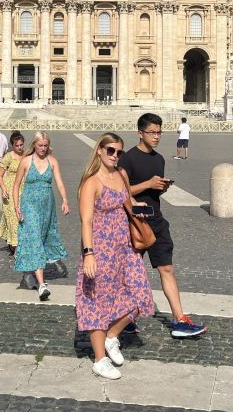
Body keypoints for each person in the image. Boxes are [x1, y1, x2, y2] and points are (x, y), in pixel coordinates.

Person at [118, 113, 206, 338]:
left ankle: (179, 320)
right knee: (129, 274)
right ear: (140, 133)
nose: (156, 137)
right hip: (134, 223)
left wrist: (161, 187)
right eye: (152, 132)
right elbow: (121, 193)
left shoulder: (159, 159)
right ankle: (124, 318)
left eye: (159, 132)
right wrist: (147, 183)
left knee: (167, 268)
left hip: (156, 220)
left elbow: (151, 191)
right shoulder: (127, 159)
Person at [76, 132, 155, 380]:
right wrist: (89, 254)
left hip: (124, 247)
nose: (115, 156)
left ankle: (112, 336)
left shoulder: (121, 174)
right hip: (100, 249)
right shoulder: (91, 182)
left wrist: (140, 211)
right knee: (98, 302)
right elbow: (86, 221)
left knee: (140, 294)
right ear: (99, 150)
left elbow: (127, 201)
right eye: (110, 150)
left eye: (119, 152)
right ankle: (99, 359)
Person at [13, 131, 70, 301]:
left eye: (45, 145)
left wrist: (65, 199)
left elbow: (59, 182)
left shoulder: (52, 161)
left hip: (47, 207)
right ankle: (42, 284)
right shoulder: (26, 161)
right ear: (34, 145)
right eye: (40, 145)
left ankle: (28, 274)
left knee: (40, 239)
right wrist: (17, 206)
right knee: (36, 240)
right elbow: (16, 186)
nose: (43, 148)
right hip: (28, 205)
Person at [0, 131, 24, 255]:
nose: (19, 147)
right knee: (13, 218)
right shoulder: (8, 157)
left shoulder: (27, 155)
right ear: (12, 145)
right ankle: (17, 248)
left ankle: (14, 240)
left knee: (22, 217)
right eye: (17, 145)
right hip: (10, 190)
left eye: (21, 145)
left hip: (24, 188)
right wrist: (3, 188)